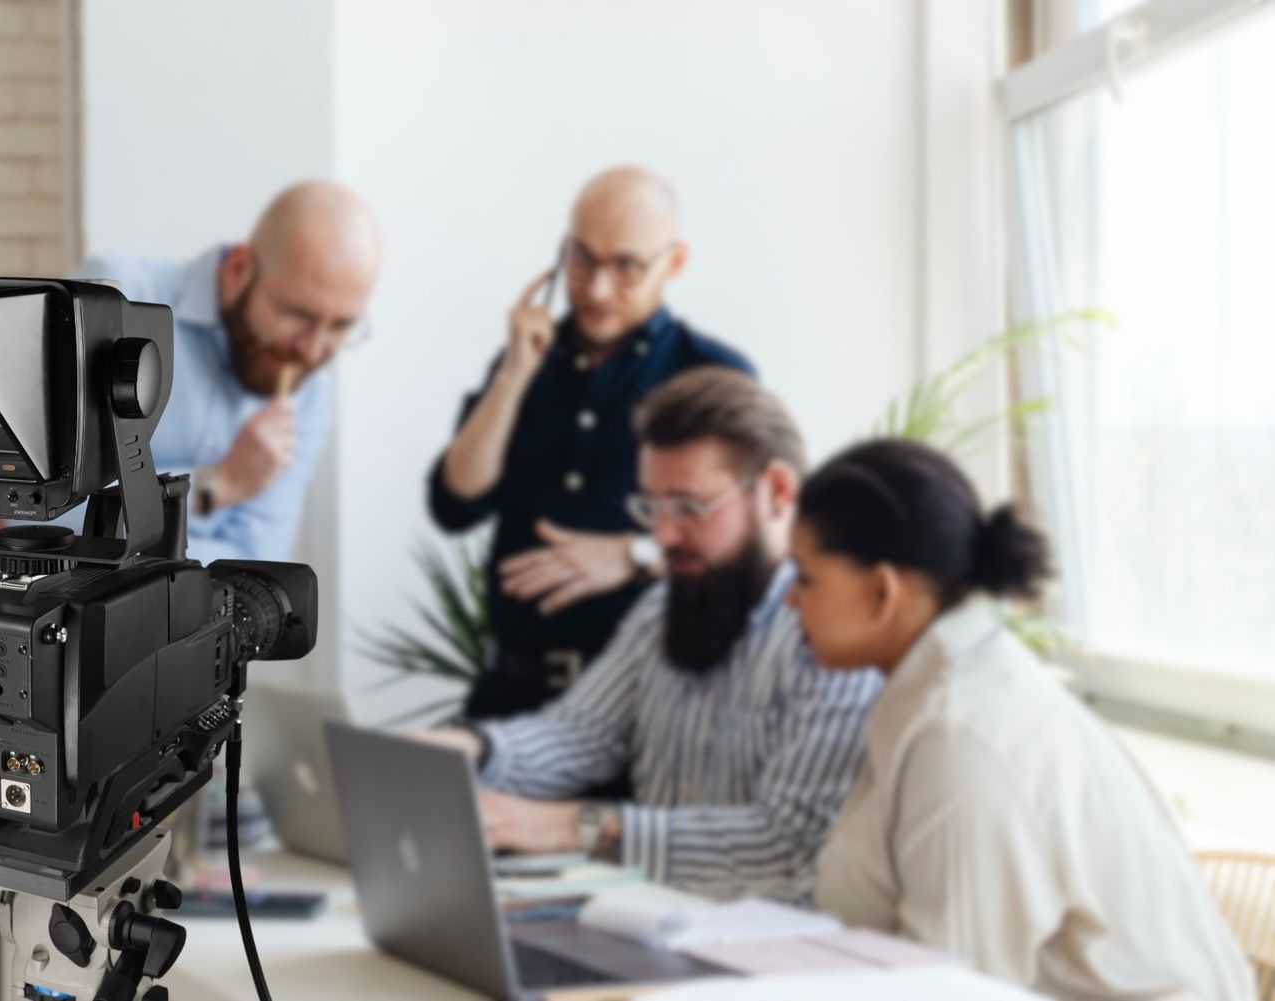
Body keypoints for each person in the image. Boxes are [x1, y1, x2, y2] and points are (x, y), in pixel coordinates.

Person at [785, 439, 1253, 999]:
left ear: (882, 591)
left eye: (806, 579)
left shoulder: (960, 736)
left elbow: (951, 990)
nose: (790, 600)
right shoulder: (947, 691)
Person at [418, 369, 880, 902]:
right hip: (647, 922)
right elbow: (579, 735)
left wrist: (564, 827)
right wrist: (462, 749)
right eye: (651, 507)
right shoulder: (663, 605)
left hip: (763, 960)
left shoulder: (831, 634)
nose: (661, 535)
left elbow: (784, 842)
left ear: (777, 491)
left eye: (688, 507)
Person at [429, 166, 755, 720]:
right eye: (580, 259)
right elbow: (454, 504)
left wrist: (636, 554)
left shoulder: (713, 376)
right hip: (512, 695)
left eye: (625, 266)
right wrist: (513, 374)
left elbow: (747, 544)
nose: (597, 288)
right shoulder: (527, 358)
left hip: (650, 704)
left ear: (674, 263)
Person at [77, 180, 381, 563]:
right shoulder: (121, 296)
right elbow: (35, 522)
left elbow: (254, 567)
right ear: (238, 269)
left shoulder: (310, 395)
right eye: (297, 314)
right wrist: (219, 488)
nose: (312, 350)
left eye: (340, 326)